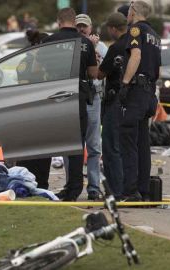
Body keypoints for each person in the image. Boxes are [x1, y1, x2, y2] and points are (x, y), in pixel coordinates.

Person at [41, 8, 98, 201]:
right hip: (76, 98)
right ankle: (73, 189)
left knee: (47, 142)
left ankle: (41, 184)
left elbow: (38, 68)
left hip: (52, 96)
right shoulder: (85, 43)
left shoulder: (48, 41)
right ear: (74, 22)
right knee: (75, 144)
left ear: (58, 22)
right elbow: (93, 73)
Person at [119, 1, 161, 201]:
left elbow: (135, 55)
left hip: (136, 91)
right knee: (143, 142)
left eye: (129, 10)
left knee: (128, 140)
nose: (127, 14)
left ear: (134, 12)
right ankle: (143, 189)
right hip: (149, 92)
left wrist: (125, 83)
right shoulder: (155, 35)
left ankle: (130, 190)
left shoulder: (135, 30)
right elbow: (158, 69)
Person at [75, 14, 107, 200]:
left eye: (84, 27)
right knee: (73, 145)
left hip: (93, 98)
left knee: (94, 145)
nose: (81, 30)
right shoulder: (71, 44)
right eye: (78, 27)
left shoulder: (101, 47)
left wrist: (93, 49)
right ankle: (73, 184)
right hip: (75, 97)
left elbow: (101, 73)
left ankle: (94, 187)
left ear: (90, 27)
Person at [15, 29, 51, 190]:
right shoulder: (26, 62)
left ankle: (42, 184)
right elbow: (25, 89)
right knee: (28, 152)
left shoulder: (47, 62)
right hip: (29, 112)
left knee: (45, 151)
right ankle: (25, 183)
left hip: (45, 112)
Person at [98, 12, 128, 200]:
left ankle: (115, 191)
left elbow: (100, 74)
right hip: (131, 101)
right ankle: (128, 188)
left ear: (113, 28)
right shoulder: (135, 44)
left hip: (114, 100)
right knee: (127, 147)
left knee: (110, 148)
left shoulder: (115, 47)